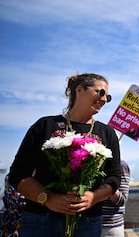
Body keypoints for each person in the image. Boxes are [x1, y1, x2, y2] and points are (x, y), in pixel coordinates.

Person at [8, 73, 122, 237]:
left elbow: (114, 177)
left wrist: (94, 197)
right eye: (100, 92)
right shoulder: (45, 126)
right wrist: (47, 198)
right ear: (80, 90)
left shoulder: (107, 133)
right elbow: (19, 174)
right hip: (41, 221)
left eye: (107, 97)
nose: (104, 100)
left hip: (87, 223)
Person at [101, 159, 130, 237]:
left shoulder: (121, 165)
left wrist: (107, 186)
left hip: (110, 228)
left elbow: (122, 200)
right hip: (90, 225)